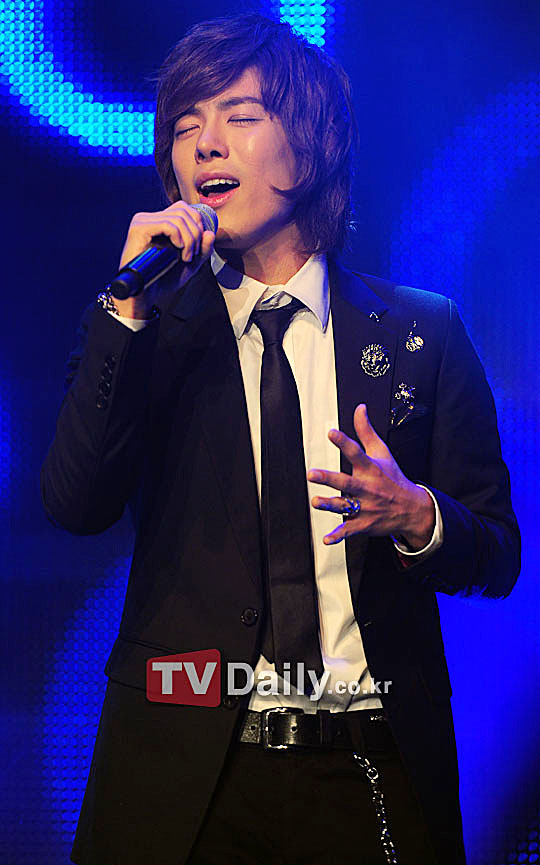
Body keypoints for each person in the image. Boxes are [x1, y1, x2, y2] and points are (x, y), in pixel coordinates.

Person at [41, 13, 520, 865]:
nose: (205, 144)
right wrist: (125, 312)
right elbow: (75, 504)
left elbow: (498, 554)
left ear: (312, 143)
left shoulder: (424, 333)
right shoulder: (145, 330)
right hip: (183, 775)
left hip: (370, 767)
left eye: (239, 116)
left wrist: (418, 516)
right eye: (185, 126)